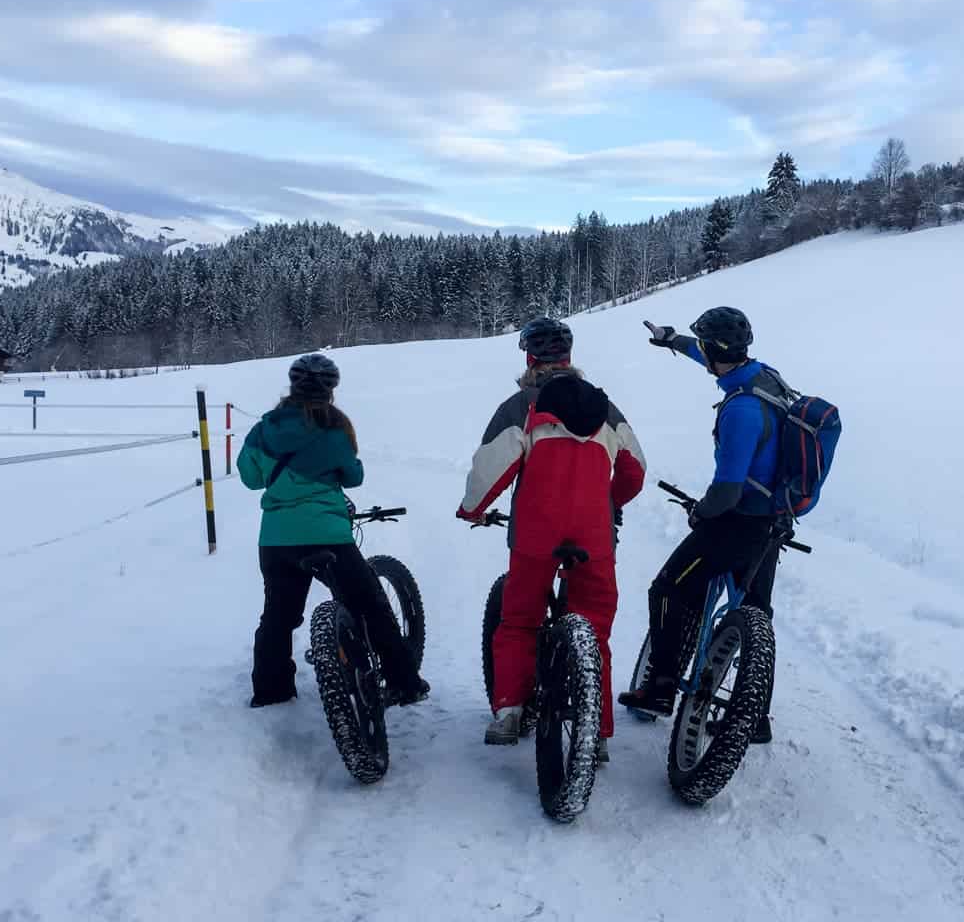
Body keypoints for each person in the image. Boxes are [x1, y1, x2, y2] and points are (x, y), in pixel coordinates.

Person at [457, 317, 646, 759]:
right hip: (595, 536)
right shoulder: (605, 407)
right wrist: (609, 503)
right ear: (568, 358)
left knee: (520, 618)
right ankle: (595, 732)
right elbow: (634, 470)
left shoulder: (521, 405)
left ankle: (509, 713)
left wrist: (473, 508)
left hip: (535, 535)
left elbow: (491, 468)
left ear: (529, 357)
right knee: (595, 629)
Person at [617, 307, 787, 743]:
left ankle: (659, 688)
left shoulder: (741, 411)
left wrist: (701, 513)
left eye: (705, 347)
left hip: (736, 524)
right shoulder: (764, 378)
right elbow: (712, 358)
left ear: (716, 351)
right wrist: (673, 341)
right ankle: (756, 718)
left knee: (669, 590)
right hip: (773, 524)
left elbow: (726, 491)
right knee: (754, 613)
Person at [238, 353, 428, 709]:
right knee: (371, 606)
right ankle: (405, 682)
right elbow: (354, 477)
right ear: (331, 392)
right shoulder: (335, 428)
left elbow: (250, 478)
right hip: (329, 536)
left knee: (277, 617)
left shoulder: (265, 428)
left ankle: (271, 693)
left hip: (277, 540)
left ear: (292, 386)